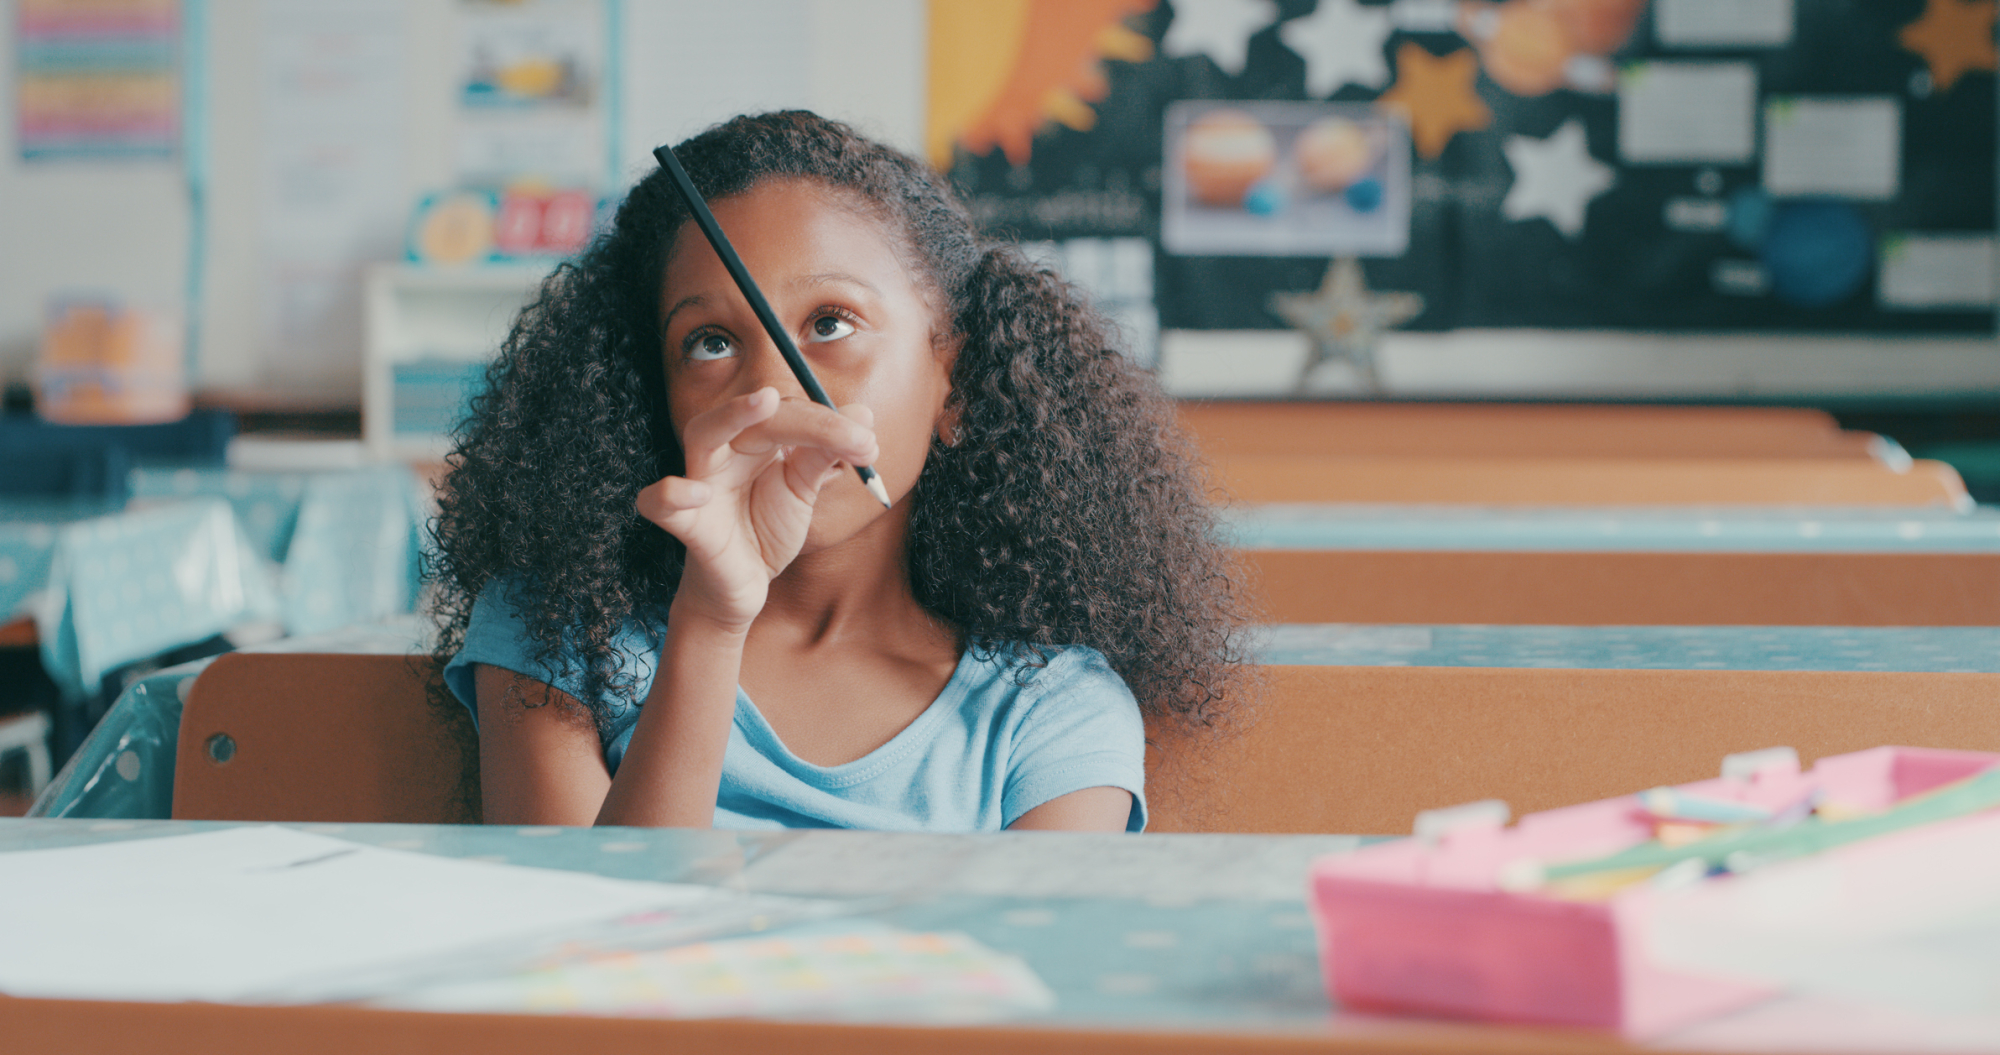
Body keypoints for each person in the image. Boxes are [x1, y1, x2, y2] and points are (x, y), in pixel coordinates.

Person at [429, 111, 1251, 831]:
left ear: (955, 385)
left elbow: (1021, 982)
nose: (770, 389)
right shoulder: (557, 635)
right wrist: (711, 622)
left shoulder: (1051, 711)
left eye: (830, 322)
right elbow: (585, 950)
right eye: (709, 342)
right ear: (657, 398)